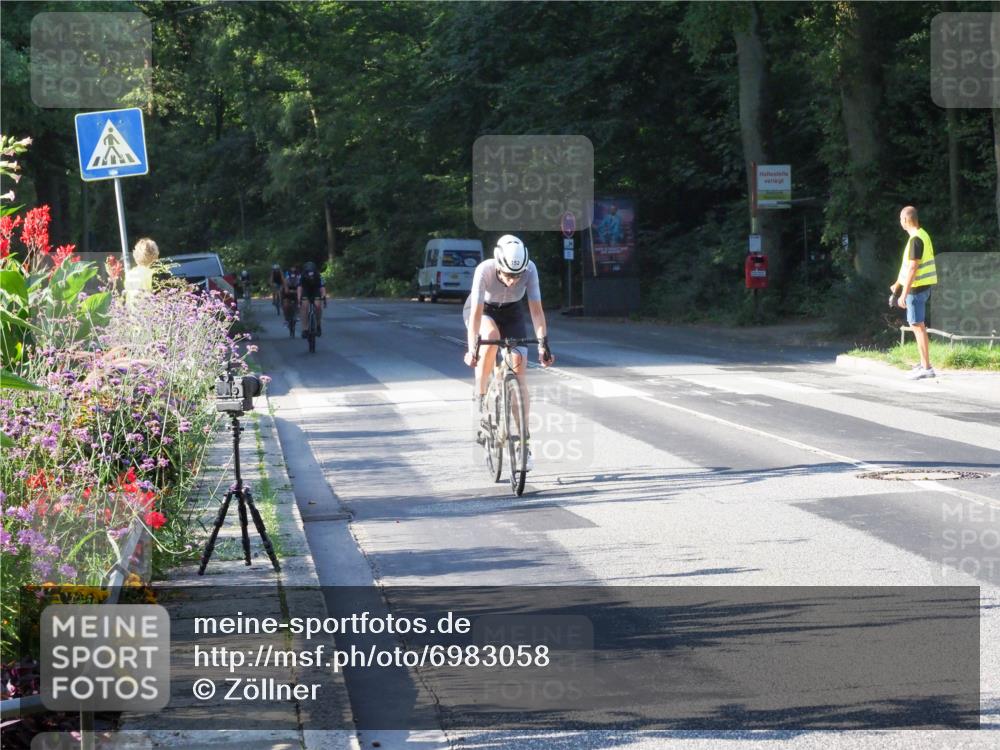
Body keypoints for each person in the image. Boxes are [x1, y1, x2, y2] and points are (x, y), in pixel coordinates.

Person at [463, 234, 555, 472]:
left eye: (518, 275)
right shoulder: (484, 270)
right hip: (483, 310)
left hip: (512, 312)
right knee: (491, 337)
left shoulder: (530, 270)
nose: (514, 281)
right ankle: (481, 397)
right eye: (508, 275)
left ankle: (524, 444)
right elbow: (475, 315)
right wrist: (472, 347)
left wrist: (544, 344)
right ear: (498, 265)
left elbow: (536, 311)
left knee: (518, 363)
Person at [890, 205, 937, 380]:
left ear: (905, 220)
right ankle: (923, 363)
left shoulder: (916, 239)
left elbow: (913, 268)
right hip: (920, 288)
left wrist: (904, 293)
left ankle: (926, 368)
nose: (900, 222)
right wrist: (897, 284)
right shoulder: (921, 235)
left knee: (918, 327)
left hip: (916, 290)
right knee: (917, 325)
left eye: (900, 219)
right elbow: (907, 267)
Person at [124, 237, 158, 306]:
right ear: (155, 254)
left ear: (135, 255)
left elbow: (126, 296)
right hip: (150, 314)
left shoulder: (129, 274)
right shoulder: (154, 273)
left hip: (132, 314)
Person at [298, 261, 326, 337]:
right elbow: (300, 288)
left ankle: (318, 325)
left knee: (318, 306)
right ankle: (305, 329)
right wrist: (299, 298)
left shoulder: (319, 276)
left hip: (315, 290)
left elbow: (322, 287)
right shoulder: (302, 276)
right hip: (306, 290)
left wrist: (323, 296)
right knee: (304, 307)